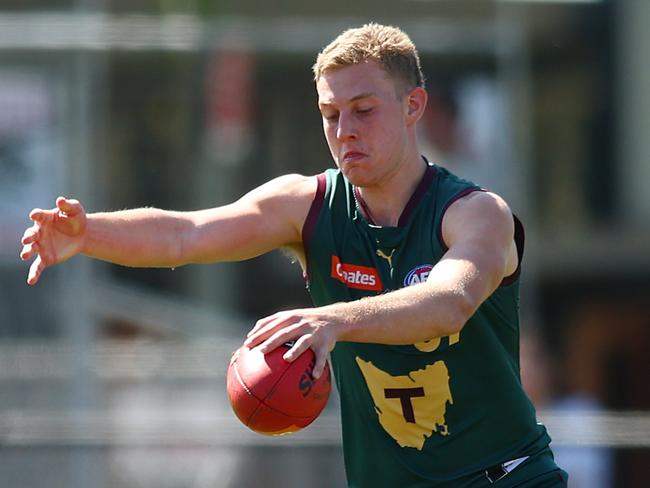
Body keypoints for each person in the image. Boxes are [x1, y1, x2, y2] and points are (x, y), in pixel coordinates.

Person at [20, 23, 568, 488]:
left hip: (507, 475)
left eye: (363, 110)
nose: (345, 130)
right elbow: (186, 235)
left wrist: (332, 319)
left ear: (413, 106)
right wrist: (89, 234)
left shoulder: (475, 213)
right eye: (331, 114)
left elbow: (449, 301)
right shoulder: (308, 207)